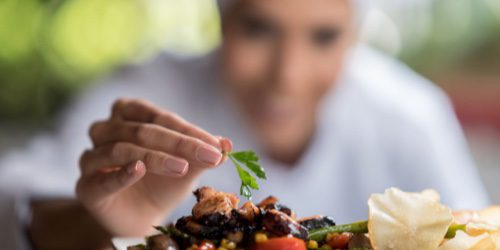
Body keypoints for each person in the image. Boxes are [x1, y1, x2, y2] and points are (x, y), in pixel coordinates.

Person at [0, 0, 490, 249]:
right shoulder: (147, 93)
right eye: (259, 28)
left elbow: (472, 232)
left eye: (323, 36)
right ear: (222, 17)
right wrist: (99, 222)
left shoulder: (411, 115)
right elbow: (13, 204)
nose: (288, 76)